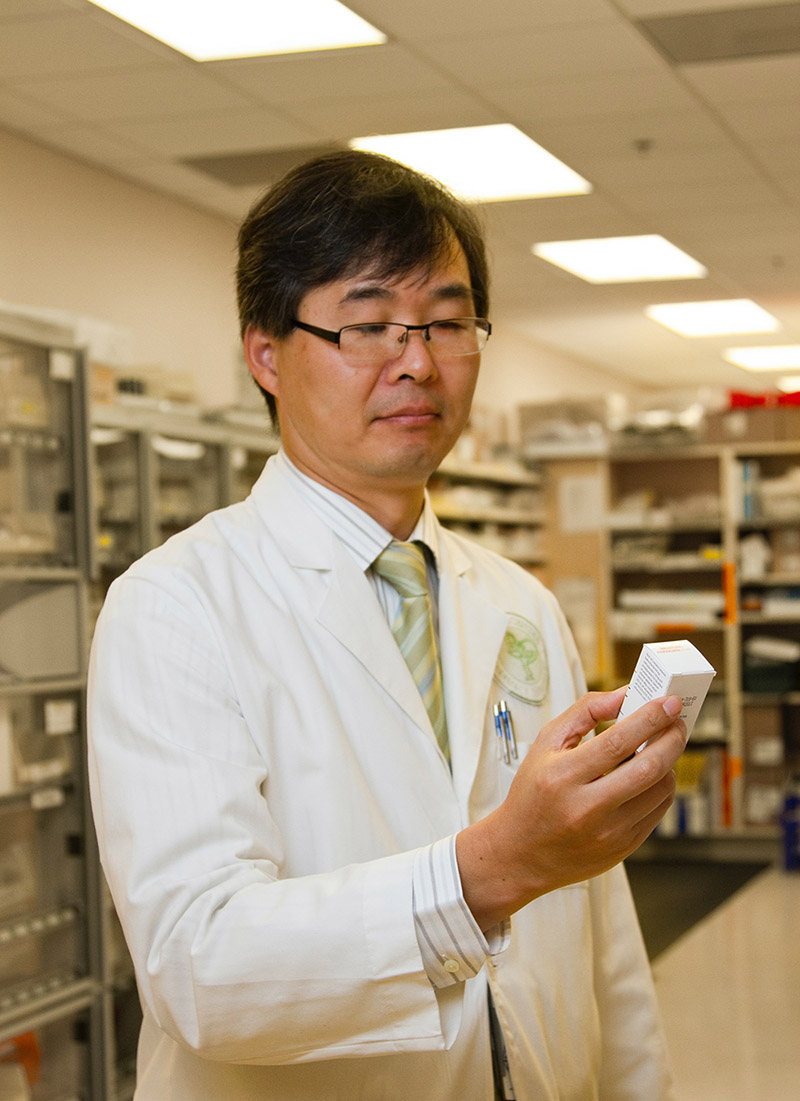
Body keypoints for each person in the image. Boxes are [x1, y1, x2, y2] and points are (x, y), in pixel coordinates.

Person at [88, 150, 683, 1100]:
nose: (418, 361)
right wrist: (485, 871)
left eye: (448, 322)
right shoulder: (175, 605)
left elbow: (600, 930)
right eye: (368, 324)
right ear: (266, 354)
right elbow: (196, 965)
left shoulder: (519, 603)